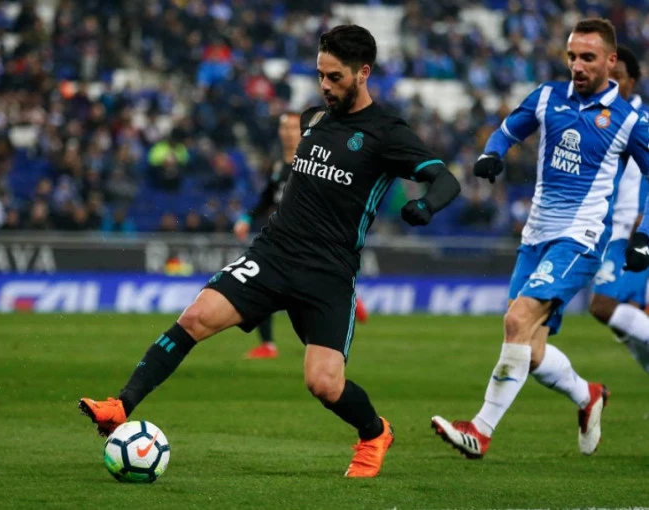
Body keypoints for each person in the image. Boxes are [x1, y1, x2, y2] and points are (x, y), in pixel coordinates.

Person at [80, 25, 460, 478]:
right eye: (320, 75)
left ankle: (375, 433)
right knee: (195, 317)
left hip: (328, 272)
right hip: (273, 254)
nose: (324, 86)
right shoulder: (312, 120)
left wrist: (425, 205)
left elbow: (445, 179)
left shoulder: (387, 133)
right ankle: (120, 406)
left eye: (335, 77)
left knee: (323, 383)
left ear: (363, 73)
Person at [431, 19, 649, 459]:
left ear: (611, 61)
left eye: (588, 58)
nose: (577, 66)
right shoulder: (548, 97)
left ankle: (480, 430)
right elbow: (508, 129)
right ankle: (588, 395)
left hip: (581, 238)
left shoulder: (629, 121)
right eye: (572, 56)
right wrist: (492, 153)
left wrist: (643, 234)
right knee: (529, 350)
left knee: (517, 321)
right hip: (536, 236)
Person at [232, 111, 369, 360]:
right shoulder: (279, 165)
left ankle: (344, 295)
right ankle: (268, 344)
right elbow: (266, 198)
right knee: (265, 283)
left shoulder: (314, 162)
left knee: (299, 285)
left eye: (292, 128)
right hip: (283, 238)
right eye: (283, 127)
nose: (287, 133)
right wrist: (246, 218)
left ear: (303, 131)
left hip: (310, 239)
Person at [589, 46, 649, 374]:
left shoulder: (642, 121)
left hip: (634, 230)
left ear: (632, 82)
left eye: (619, 77)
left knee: (603, 306)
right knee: (624, 319)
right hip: (610, 229)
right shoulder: (601, 120)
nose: (611, 84)